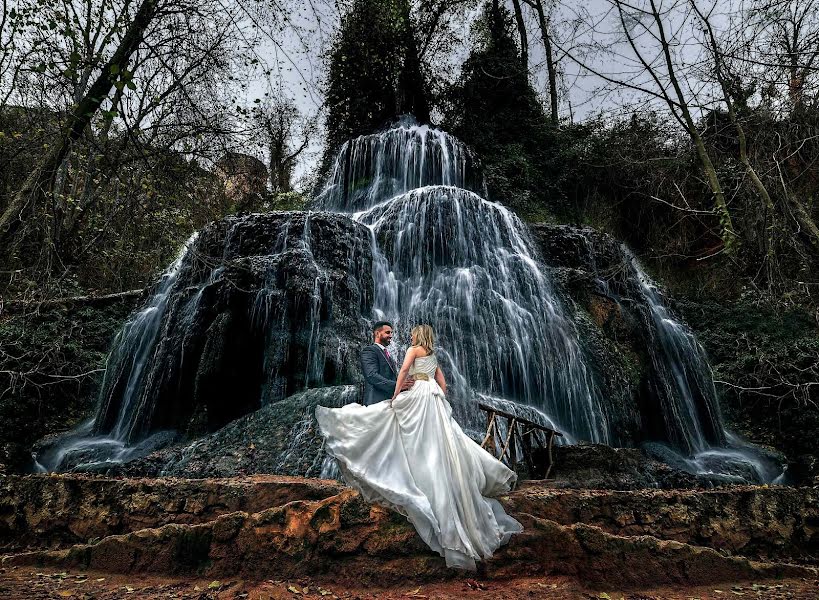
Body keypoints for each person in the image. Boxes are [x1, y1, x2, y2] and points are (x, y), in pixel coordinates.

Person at [315, 324, 523, 570]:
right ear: (377, 333)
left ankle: (401, 472)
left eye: (405, 333)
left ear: (418, 336)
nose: (398, 336)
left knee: (407, 432)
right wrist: (439, 399)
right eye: (388, 332)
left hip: (416, 394)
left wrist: (396, 394)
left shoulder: (413, 350)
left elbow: (403, 372)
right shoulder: (430, 355)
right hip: (431, 396)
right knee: (435, 438)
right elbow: (441, 383)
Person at [360, 321, 414, 405]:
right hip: (376, 403)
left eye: (391, 333)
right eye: (387, 332)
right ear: (377, 333)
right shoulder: (369, 350)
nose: (391, 335)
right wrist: (397, 385)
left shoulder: (388, 354)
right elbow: (371, 375)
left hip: (389, 401)